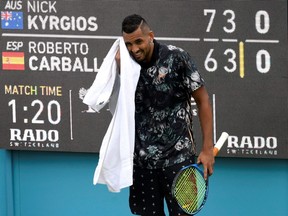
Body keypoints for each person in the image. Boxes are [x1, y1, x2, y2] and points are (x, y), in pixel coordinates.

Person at [116, 14, 214, 216]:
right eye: (128, 44)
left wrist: (207, 149)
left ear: (150, 36)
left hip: (179, 163)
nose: (134, 49)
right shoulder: (125, 65)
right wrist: (119, 71)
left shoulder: (177, 58)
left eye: (138, 42)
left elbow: (203, 101)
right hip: (142, 166)